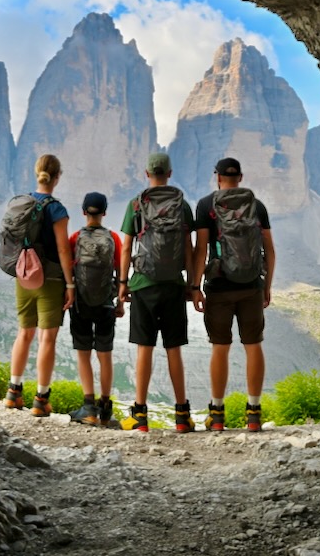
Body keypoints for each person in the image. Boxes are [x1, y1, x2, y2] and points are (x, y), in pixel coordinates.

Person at [190, 157, 276, 432]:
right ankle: (254, 414)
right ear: (240, 176)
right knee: (253, 345)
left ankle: (216, 414)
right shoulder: (256, 206)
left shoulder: (206, 205)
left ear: (217, 176)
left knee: (220, 347)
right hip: (251, 285)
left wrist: (194, 286)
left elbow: (200, 248)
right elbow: (270, 250)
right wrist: (267, 285)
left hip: (218, 285)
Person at [118, 152, 197, 433]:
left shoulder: (136, 205)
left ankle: (140, 416)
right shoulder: (182, 205)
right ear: (170, 173)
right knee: (173, 348)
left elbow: (126, 247)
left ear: (146, 173)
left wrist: (123, 283)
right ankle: (182, 417)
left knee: (145, 349)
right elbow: (189, 247)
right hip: (174, 285)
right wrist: (191, 283)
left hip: (143, 285)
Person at [3, 154, 76, 417]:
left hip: (24, 276)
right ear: (58, 177)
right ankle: (41, 398)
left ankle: (14, 392)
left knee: (24, 333)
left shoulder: (22, 203)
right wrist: (70, 284)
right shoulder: (56, 209)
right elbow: (63, 250)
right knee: (47, 337)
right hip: (51, 279)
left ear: (37, 174)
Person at [66, 192, 125, 427]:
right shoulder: (114, 239)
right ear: (104, 213)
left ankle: (88, 406)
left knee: (83, 354)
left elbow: (69, 270)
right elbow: (121, 272)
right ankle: (105, 407)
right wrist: (120, 302)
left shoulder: (75, 238)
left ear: (83, 212)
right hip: (105, 303)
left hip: (80, 303)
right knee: (105, 355)